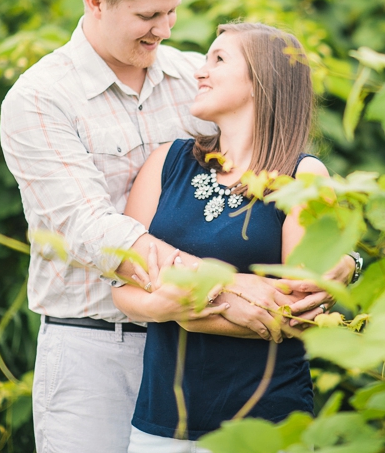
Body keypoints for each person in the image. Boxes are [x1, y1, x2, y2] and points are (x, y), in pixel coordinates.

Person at [0, 0, 353, 453]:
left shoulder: (193, 77)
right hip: (97, 345)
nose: (164, 30)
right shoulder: (41, 99)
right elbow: (92, 231)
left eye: (171, 12)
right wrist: (229, 285)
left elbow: (270, 164)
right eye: (147, 16)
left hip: (204, 350)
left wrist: (346, 261)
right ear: (95, 2)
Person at [113, 23, 343, 452]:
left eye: (219, 59)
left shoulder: (303, 177)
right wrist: (173, 307)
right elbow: (123, 286)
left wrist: (185, 310)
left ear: (262, 81)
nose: (201, 71)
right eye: (206, 58)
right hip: (163, 422)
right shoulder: (167, 162)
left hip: (266, 423)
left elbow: (298, 311)